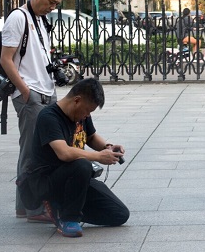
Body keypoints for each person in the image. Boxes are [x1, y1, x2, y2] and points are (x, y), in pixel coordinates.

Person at [23, 78, 129, 238]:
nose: (87, 115)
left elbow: (91, 137)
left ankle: (68, 206)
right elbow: (64, 153)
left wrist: (108, 147)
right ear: (77, 100)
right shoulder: (48, 117)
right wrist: (98, 157)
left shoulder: (81, 115)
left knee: (119, 214)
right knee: (83, 165)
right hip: (48, 180)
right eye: (87, 111)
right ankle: (67, 218)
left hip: (76, 177)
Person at [0, 0, 63, 222]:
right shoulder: (18, 18)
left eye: (57, 4)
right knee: (30, 151)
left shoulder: (40, 19)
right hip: (31, 94)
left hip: (46, 90)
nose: (53, 7)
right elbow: (7, 59)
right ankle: (29, 207)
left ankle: (32, 204)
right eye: (51, 2)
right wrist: (25, 91)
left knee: (47, 149)